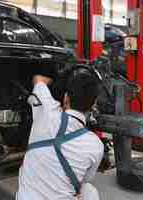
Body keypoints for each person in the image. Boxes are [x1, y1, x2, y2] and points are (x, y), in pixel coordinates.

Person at [17, 69, 104, 200]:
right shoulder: (96, 145)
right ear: (94, 104)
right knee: (89, 191)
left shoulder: (47, 111)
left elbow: (38, 79)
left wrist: (56, 82)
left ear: (66, 97)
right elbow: (86, 178)